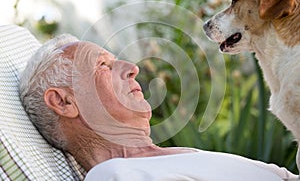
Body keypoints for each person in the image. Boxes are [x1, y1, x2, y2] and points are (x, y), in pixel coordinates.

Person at [19, 34, 297, 180]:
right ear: (64, 102)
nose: (132, 68)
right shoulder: (116, 175)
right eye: (103, 65)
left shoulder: (159, 160)